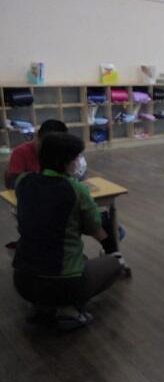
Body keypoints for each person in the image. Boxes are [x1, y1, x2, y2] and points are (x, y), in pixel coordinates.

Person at [12, 133, 123, 329]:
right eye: (76, 157)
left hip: (22, 281)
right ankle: (69, 309)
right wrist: (113, 250)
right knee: (114, 264)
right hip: (65, 284)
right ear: (65, 161)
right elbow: (95, 229)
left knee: (76, 260)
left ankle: (42, 307)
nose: (78, 161)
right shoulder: (76, 190)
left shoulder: (23, 182)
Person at [4, 119, 67, 189]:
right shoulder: (20, 152)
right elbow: (14, 183)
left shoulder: (62, 152)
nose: (49, 150)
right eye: (46, 145)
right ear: (38, 137)